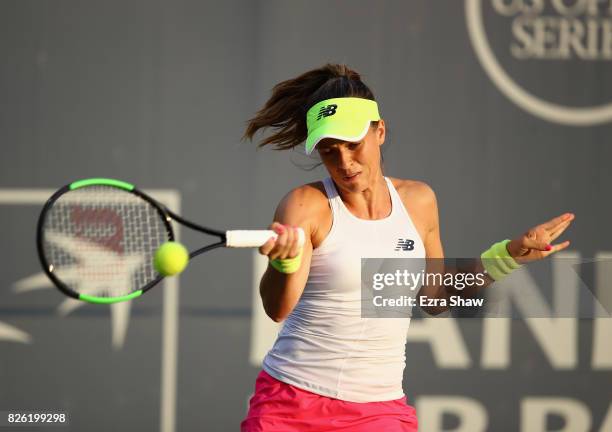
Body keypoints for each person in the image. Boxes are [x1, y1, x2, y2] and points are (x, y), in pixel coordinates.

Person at [240, 63, 574, 432]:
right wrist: (283, 265)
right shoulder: (305, 205)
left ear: (379, 131)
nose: (344, 163)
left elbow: (435, 297)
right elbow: (277, 308)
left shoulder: (419, 200)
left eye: (353, 145)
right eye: (329, 151)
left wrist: (507, 256)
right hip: (291, 404)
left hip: (379, 410)